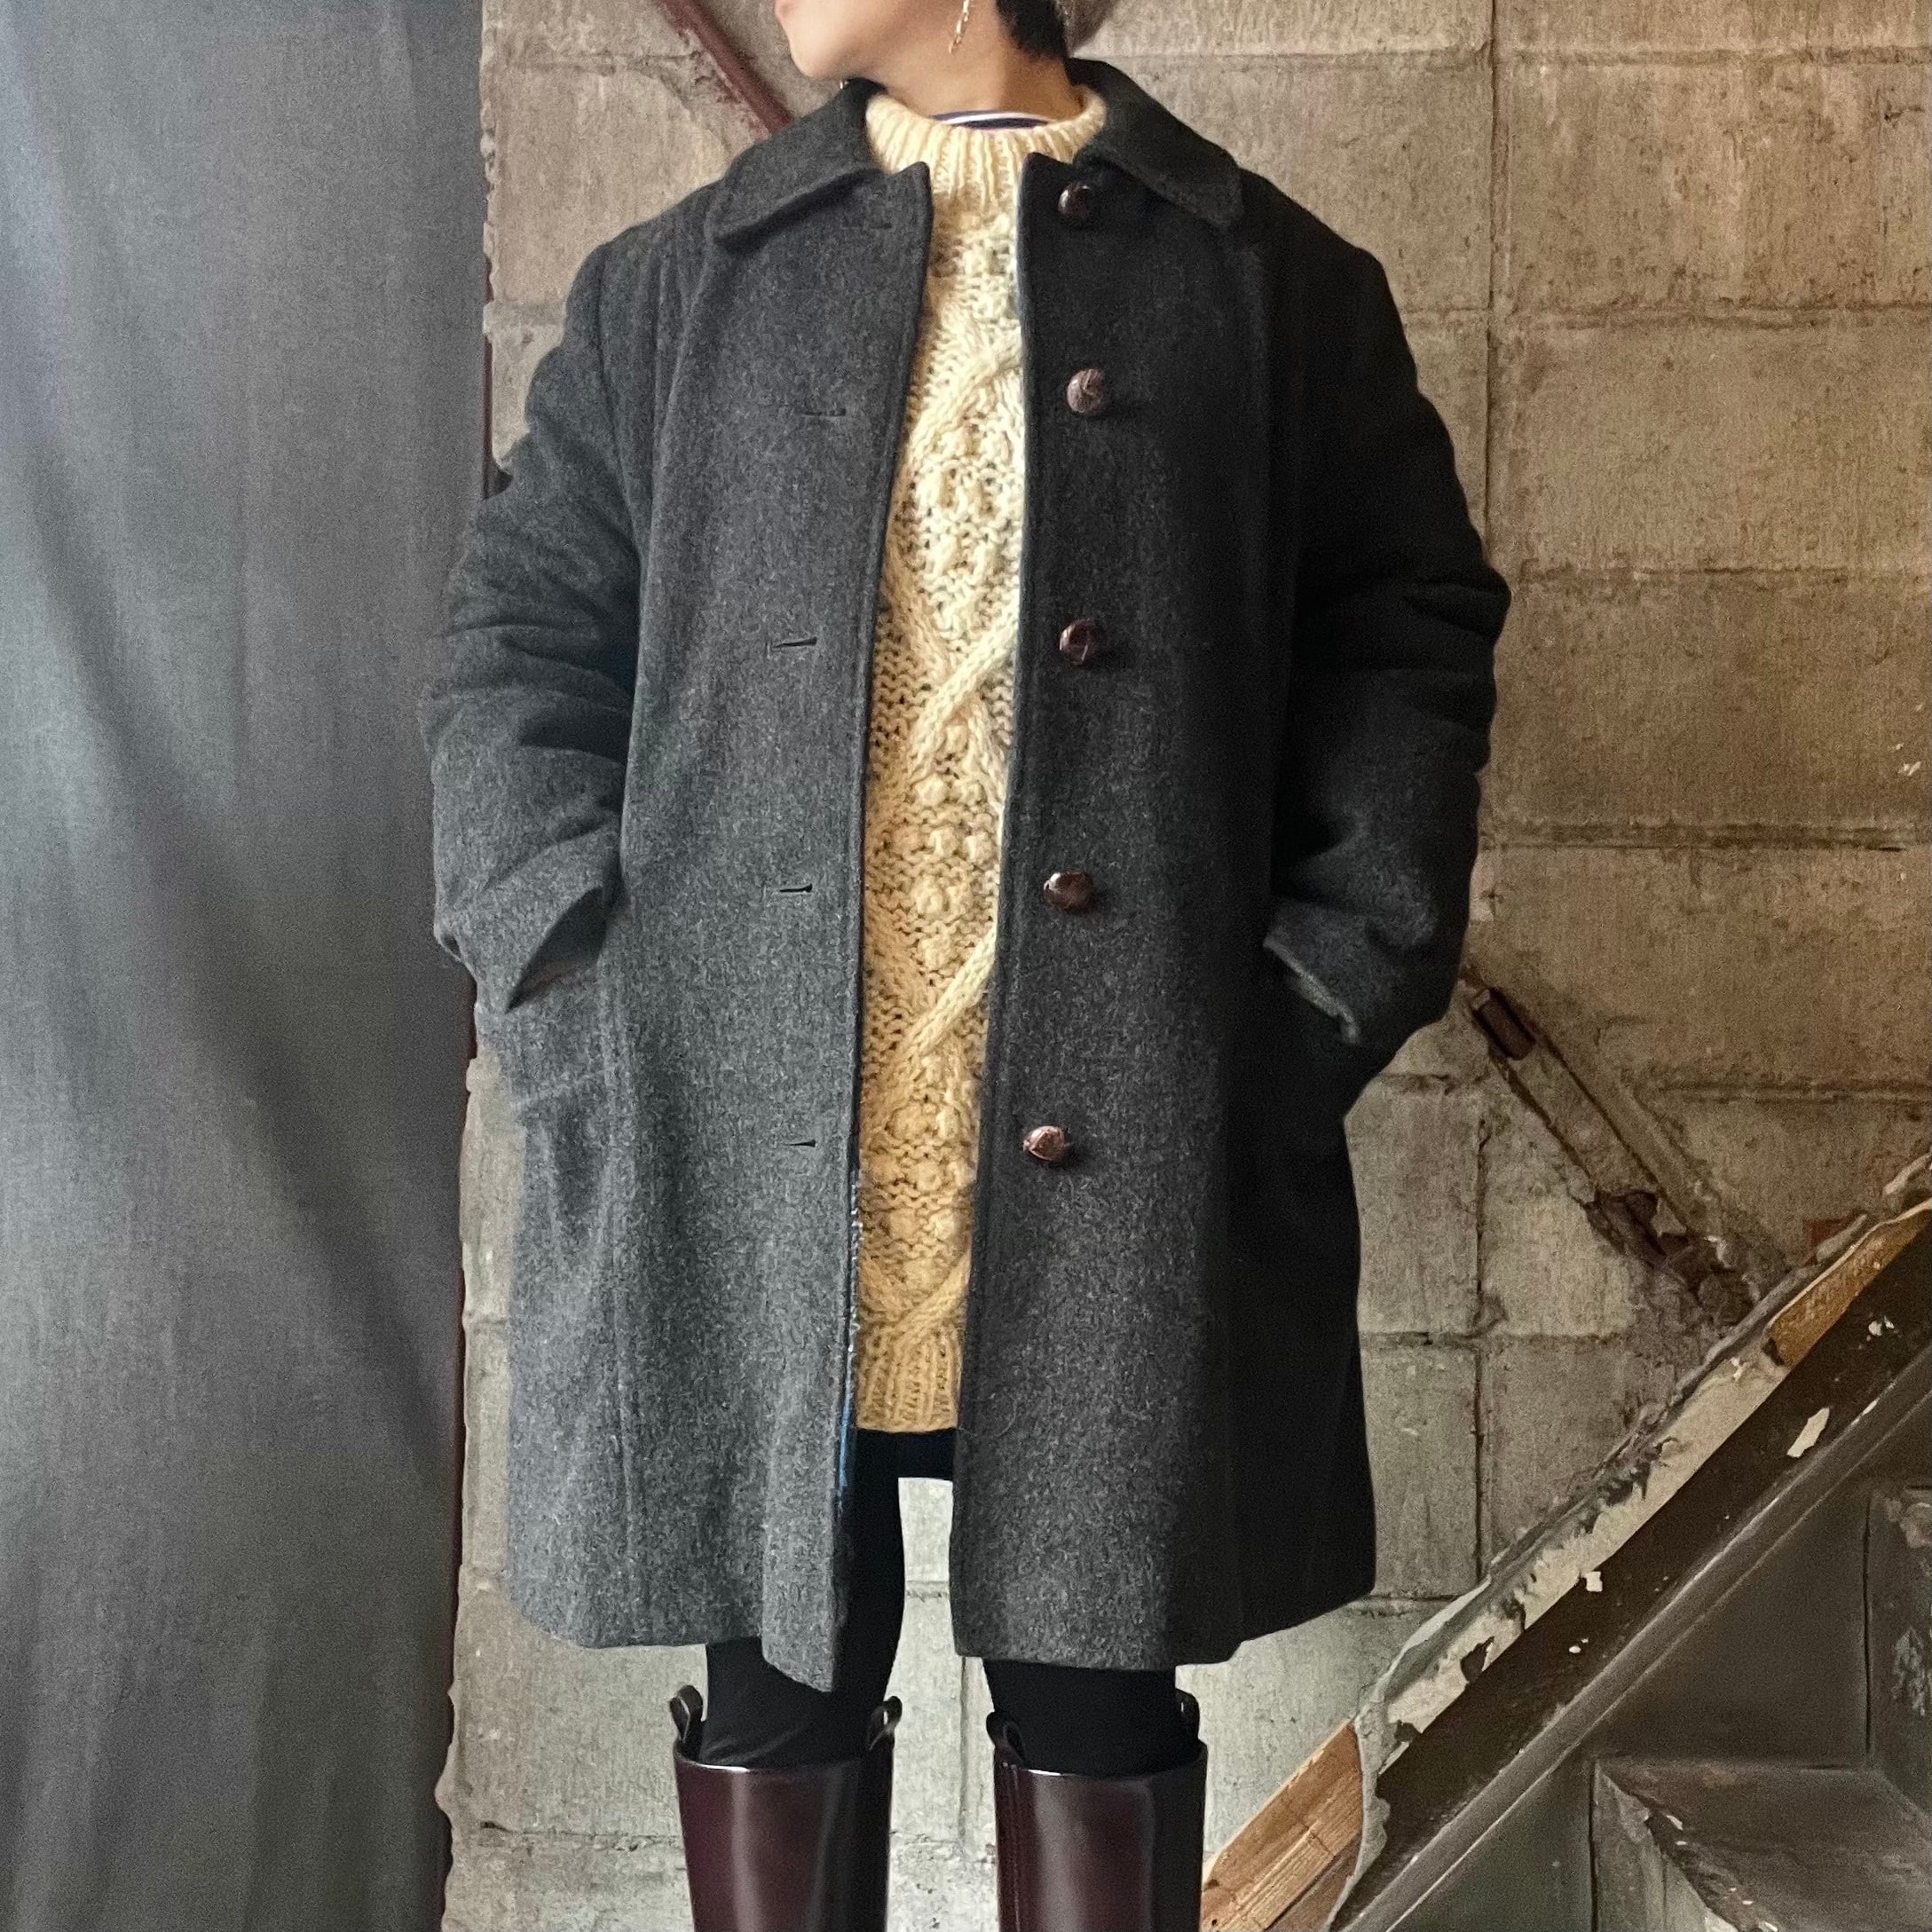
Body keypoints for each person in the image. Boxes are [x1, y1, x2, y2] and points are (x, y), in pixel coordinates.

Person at [419, 1, 1510, 1927]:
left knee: (1097, 1690)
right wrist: (575, 975)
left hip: (1131, 1131)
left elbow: (1404, 641)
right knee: (776, 1683)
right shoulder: (675, 290)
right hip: (756, 1132)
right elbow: (516, 645)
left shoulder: (1272, 288)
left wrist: (1319, 991)